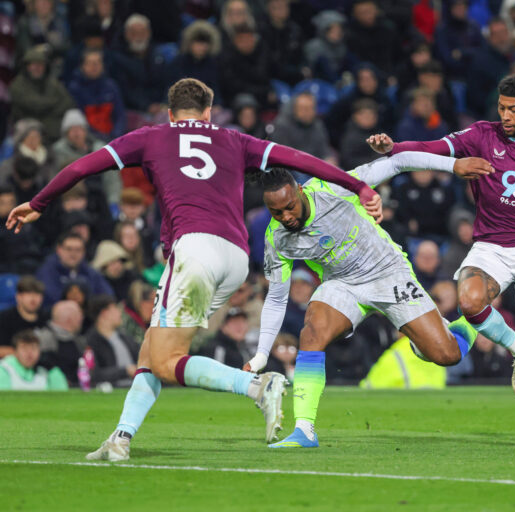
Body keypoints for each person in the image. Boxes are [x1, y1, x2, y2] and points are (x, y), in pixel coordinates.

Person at [6, 78, 382, 461]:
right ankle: (121, 437)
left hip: (194, 251)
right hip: (235, 258)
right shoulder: (236, 140)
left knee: (166, 361)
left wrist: (40, 201)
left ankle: (255, 387)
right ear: (208, 112)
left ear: (170, 114)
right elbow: (301, 160)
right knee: (152, 350)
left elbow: (84, 166)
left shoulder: (152, 136)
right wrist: (358, 187)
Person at [367, 73, 515, 449]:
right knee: (469, 301)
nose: (506, 115)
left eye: (514, 108)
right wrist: (395, 147)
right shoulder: (482, 134)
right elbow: (435, 147)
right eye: (501, 107)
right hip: (491, 245)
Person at [248, 153, 494, 448]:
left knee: (446, 355)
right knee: (311, 333)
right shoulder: (277, 238)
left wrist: (453, 165)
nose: (286, 217)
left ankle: (470, 321)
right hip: (342, 284)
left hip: (388, 273)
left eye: (289, 207)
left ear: (300, 192)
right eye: (276, 213)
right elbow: (276, 298)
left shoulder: (332, 189)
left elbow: (396, 162)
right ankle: (304, 429)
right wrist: (262, 354)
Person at [84, 295, 139, 388]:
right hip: (111, 391)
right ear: (105, 313)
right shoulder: (90, 342)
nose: (120, 312)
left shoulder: (126, 338)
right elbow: (93, 374)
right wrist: (125, 371)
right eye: (116, 309)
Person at [0, 330, 68, 391]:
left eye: (33, 348)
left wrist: (53, 370)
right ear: (15, 351)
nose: (29, 353)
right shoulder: (4, 369)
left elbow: (62, 397)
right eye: (24, 348)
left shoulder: (44, 372)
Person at [0, 276, 48, 357]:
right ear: (18, 297)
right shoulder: (4, 318)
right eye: (28, 293)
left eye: (37, 294)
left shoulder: (46, 318)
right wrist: (26, 355)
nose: (33, 299)